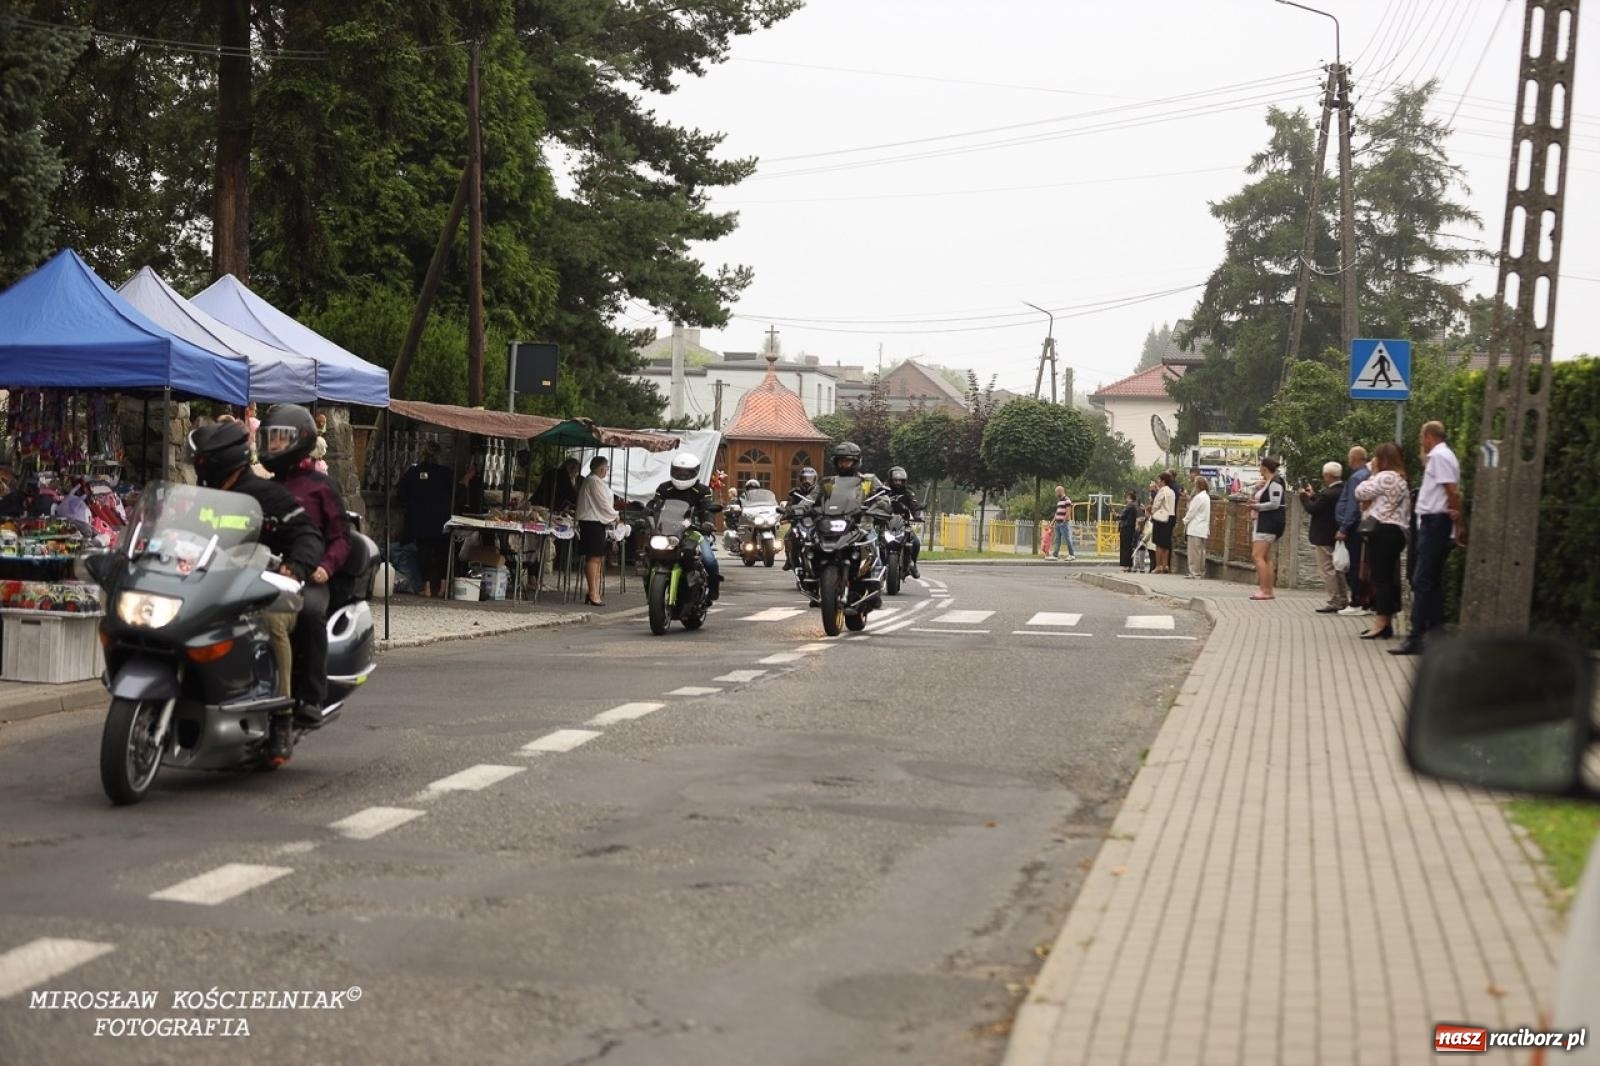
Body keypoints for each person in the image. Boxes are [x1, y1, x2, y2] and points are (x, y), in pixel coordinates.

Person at [188, 420, 324, 766]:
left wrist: (295, 566)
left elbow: (308, 535)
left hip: (262, 591)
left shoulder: (271, 496)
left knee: (271, 622)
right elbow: (182, 534)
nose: (201, 468)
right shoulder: (205, 501)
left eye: (205, 462)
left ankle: (281, 718)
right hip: (212, 588)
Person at [258, 404, 349, 745]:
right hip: (267, 572)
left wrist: (325, 567)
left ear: (301, 440)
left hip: (308, 577)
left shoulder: (320, 487)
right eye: (270, 439)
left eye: (281, 439)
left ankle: (311, 697)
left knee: (309, 614)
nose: (273, 446)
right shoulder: (264, 486)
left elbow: (342, 536)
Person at [1393, 421, 1462, 656]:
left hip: (1436, 523)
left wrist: (1456, 519)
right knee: (1431, 581)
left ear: (1429, 436)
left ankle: (1417, 636)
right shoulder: (1441, 456)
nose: (1420, 442)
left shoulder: (1440, 456)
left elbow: (1452, 491)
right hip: (1434, 523)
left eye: (1422, 437)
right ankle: (1435, 633)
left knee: (1422, 580)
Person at [1353, 443, 1410, 641]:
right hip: (1393, 533)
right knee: (1385, 578)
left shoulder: (1386, 477)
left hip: (1384, 531)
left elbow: (1359, 491)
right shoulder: (1399, 478)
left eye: (1375, 458)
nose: (1372, 462)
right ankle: (1385, 623)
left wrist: (1372, 472)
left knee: (1381, 579)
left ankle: (1381, 622)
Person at [649, 451, 722, 600]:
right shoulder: (664, 488)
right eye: (678, 472)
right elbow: (654, 506)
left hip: (694, 530)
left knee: (708, 558)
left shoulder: (702, 490)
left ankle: (714, 586)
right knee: (650, 553)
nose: (681, 476)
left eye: (686, 473)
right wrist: (647, 516)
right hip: (668, 531)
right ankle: (652, 587)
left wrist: (707, 522)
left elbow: (707, 508)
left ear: (694, 472)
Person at [396, 440, 454, 597]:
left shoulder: (413, 473)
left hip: (420, 520)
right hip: (442, 520)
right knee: (443, 553)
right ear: (439, 455)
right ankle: (443, 587)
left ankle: (427, 587)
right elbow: (456, 494)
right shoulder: (446, 473)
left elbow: (401, 494)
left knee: (424, 553)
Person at [1299, 460, 1348, 614]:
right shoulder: (1343, 490)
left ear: (1328, 475)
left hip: (1324, 536)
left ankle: (1334, 600)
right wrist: (1313, 496)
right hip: (1337, 534)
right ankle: (1343, 599)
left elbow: (1313, 509)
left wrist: (1304, 497)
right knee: (1338, 568)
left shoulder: (1328, 493)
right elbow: (1322, 507)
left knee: (1328, 568)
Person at [577, 455, 620, 607]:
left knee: (596, 557)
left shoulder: (594, 481)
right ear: (602, 468)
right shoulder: (593, 481)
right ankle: (593, 592)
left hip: (595, 522)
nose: (607, 471)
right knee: (594, 557)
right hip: (592, 522)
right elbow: (602, 503)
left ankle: (593, 591)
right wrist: (615, 516)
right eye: (607, 468)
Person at [1336, 446, 1373, 617]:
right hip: (1362, 525)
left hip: (1353, 527)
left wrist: (1344, 527)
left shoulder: (1357, 477)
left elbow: (1353, 504)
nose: (1348, 461)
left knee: (1354, 566)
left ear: (1355, 458)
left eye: (1349, 457)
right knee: (1363, 564)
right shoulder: (1366, 474)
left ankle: (1357, 601)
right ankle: (1366, 601)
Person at [1247, 457, 1287, 600]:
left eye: (1260, 466)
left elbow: (1275, 503)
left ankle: (1264, 589)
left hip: (1267, 523)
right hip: (1264, 522)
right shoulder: (1269, 482)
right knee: (1265, 557)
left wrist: (1256, 506)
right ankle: (1268, 589)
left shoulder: (1275, 482)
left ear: (1264, 468)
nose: (1259, 469)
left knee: (1257, 556)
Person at [886, 466, 924, 578]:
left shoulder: (908, 492)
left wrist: (916, 515)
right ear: (890, 480)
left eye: (900, 480)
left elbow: (914, 505)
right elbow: (875, 502)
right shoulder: (884, 491)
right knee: (876, 542)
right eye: (895, 480)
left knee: (916, 542)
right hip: (886, 524)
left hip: (903, 524)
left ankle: (913, 564)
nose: (898, 483)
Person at [783, 466, 819, 571]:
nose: (807, 482)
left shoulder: (819, 493)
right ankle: (789, 559)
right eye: (804, 479)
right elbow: (789, 506)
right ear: (800, 480)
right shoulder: (795, 493)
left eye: (810, 479)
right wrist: (787, 513)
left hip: (815, 522)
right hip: (799, 522)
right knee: (789, 536)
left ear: (815, 480)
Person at [1183, 476, 1211, 579]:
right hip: (1203, 528)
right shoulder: (1206, 497)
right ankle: (1201, 571)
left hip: (1195, 527)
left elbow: (1192, 511)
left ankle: (1194, 572)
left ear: (1197, 486)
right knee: (1201, 552)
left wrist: (1185, 520)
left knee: (1193, 552)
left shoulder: (1198, 497)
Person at [1150, 472, 1177, 573]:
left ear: (1163, 481)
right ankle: (1166, 565)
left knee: (1159, 543)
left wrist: (1152, 512)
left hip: (1161, 518)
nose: (1157, 482)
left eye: (1159, 480)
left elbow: (1157, 504)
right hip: (1171, 517)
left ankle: (1158, 565)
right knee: (1166, 543)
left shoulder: (1162, 491)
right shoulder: (1172, 491)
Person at [1050, 485, 1077, 561]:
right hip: (1057, 523)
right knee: (1057, 539)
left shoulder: (1067, 500)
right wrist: (1052, 522)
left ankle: (1072, 555)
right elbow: (1057, 513)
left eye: (1056, 492)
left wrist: (1064, 521)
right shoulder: (1059, 501)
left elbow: (1068, 512)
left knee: (1067, 538)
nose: (1056, 494)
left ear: (1060, 491)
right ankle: (1055, 555)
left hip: (1063, 523)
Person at [1118, 491, 1139, 571]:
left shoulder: (1129, 506)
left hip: (1126, 528)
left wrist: (1116, 516)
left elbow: (1122, 516)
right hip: (1130, 528)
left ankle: (1125, 565)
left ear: (1129, 497)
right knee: (1129, 547)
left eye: (1127, 497)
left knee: (1125, 547)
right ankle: (1129, 565)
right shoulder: (1135, 505)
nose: (1126, 499)